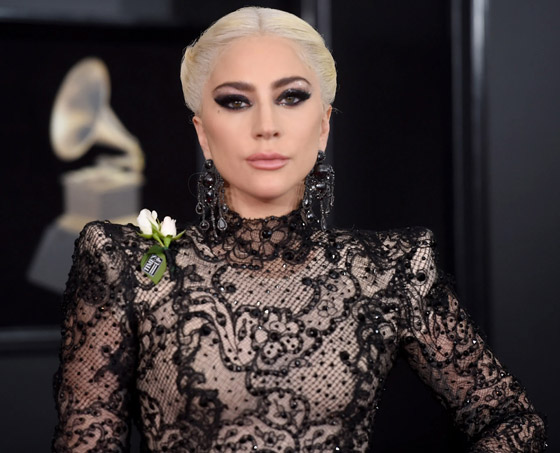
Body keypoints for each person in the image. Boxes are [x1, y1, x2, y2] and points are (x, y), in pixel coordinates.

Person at [52, 6, 547, 453]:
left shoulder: (390, 270)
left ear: (324, 124)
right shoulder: (126, 264)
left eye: (291, 97)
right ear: (203, 133)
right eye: (236, 101)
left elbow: (511, 421)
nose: (266, 125)